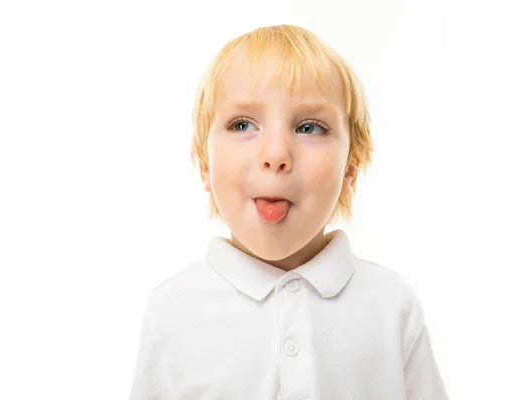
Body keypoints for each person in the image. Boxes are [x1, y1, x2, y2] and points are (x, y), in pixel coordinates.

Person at [129, 24, 449, 399]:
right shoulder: (173, 310)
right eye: (243, 124)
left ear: (350, 169)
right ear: (204, 165)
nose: (276, 155)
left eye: (309, 127)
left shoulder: (391, 307)